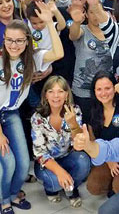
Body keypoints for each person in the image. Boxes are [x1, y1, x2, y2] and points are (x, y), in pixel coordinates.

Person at [0, 17, 63, 214]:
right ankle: (5, 199)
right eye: (9, 40)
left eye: (19, 41)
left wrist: (49, 22)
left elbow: (59, 53)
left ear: (27, 41)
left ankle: (14, 193)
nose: (14, 45)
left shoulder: (32, 58)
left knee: (23, 164)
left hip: (11, 112)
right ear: (4, 39)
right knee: (8, 162)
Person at [31, 75, 90, 207]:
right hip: (46, 162)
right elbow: (40, 153)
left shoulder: (75, 110)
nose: (56, 96)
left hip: (68, 156)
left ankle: (71, 188)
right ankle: (53, 188)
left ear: (66, 95)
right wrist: (60, 172)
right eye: (51, 91)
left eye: (60, 91)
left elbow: (80, 145)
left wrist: (73, 123)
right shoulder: (37, 117)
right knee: (54, 183)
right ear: (45, 95)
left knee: (83, 161)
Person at [69, 0, 113, 123]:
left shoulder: (111, 32)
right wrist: (76, 22)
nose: (95, 15)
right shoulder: (82, 30)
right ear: (86, 14)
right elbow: (73, 35)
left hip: (106, 92)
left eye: (97, 11)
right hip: (83, 92)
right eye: (91, 12)